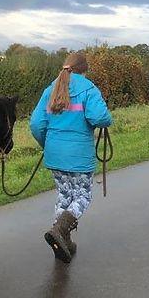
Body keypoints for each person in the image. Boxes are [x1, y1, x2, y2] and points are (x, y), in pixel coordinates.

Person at [30, 52, 112, 264]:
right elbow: (100, 117)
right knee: (83, 196)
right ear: (84, 69)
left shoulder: (51, 89)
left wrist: (47, 143)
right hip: (78, 157)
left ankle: (62, 240)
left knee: (65, 195)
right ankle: (60, 229)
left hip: (55, 155)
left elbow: (36, 124)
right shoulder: (87, 88)